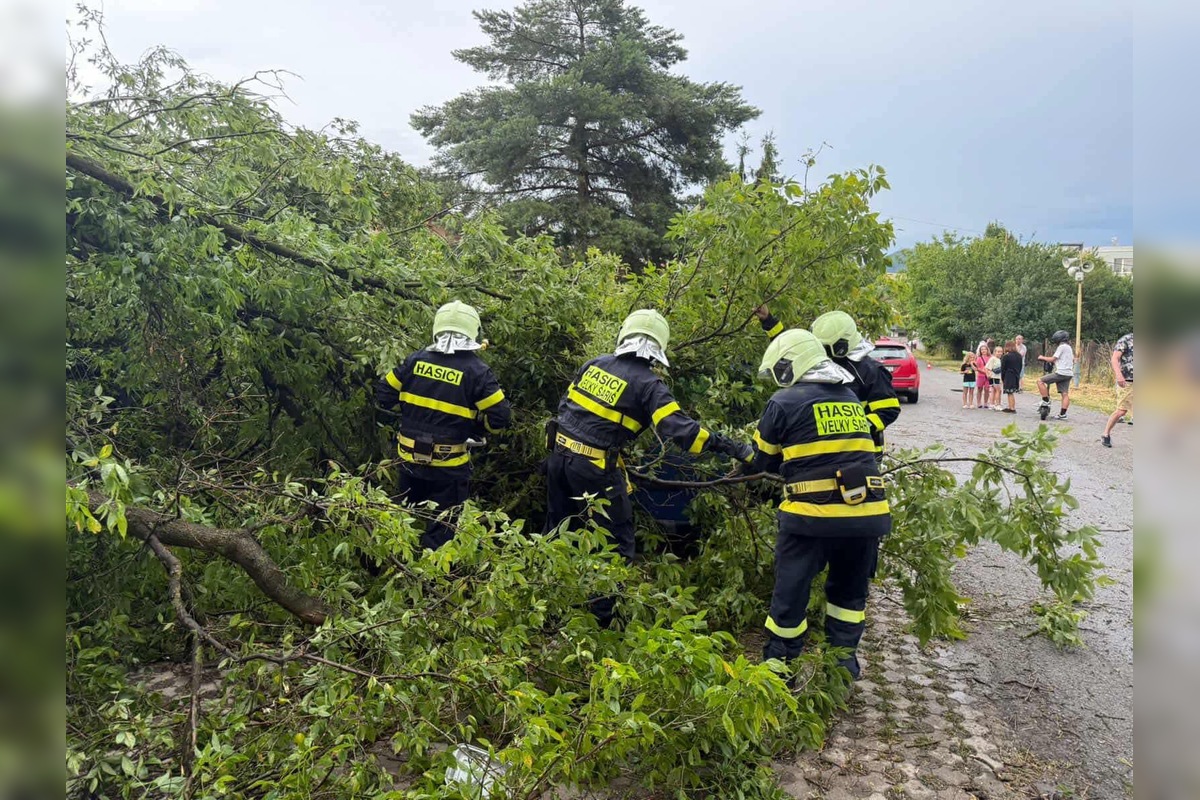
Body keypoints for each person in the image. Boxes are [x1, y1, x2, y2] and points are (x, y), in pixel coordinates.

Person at [544, 309, 752, 626]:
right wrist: (736, 448)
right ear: (658, 350)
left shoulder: (595, 364)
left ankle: (544, 610)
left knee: (559, 532)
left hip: (558, 459)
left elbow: (565, 407)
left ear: (625, 336)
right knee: (616, 543)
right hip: (595, 470)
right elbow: (682, 431)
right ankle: (600, 623)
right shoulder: (649, 385)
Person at [749, 328, 891, 680]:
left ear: (790, 365)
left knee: (791, 595)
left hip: (812, 518)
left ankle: (778, 669)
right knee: (848, 597)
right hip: (867, 516)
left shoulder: (783, 402)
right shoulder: (850, 400)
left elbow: (761, 461)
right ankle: (841, 670)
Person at [375, 301, 513, 550]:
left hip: (407, 459)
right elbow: (501, 418)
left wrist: (410, 413)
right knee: (442, 529)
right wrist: (478, 428)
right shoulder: (477, 372)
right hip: (448, 467)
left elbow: (384, 393)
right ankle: (429, 580)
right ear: (473, 331)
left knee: (401, 521)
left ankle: (391, 563)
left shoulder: (416, 360)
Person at [754, 307, 900, 461]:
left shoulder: (870, 371)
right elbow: (792, 350)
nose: (821, 350)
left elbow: (888, 410)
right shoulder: (820, 361)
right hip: (819, 450)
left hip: (861, 452)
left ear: (841, 344)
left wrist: (856, 428)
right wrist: (769, 321)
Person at [1101, 333, 1133, 447]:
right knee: (1122, 410)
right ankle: (1106, 434)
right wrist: (1119, 375)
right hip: (1127, 381)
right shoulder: (1126, 340)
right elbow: (1115, 358)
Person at [1036, 330, 1074, 420]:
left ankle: (1046, 401)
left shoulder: (1061, 347)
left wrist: (1042, 357)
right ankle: (1062, 414)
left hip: (1061, 373)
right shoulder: (1069, 347)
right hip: (1068, 373)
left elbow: (1053, 359)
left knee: (1040, 381)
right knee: (1065, 394)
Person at [1000, 340, 1023, 413]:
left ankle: (1012, 408)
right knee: (1011, 392)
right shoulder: (1019, 356)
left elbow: (1003, 368)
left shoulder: (1006, 356)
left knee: (1010, 392)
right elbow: (1020, 366)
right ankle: (1010, 406)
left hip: (1008, 375)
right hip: (1016, 375)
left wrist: (1002, 378)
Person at [985, 345, 1003, 410]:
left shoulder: (999, 359)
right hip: (994, 377)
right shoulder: (993, 359)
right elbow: (987, 367)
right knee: (998, 390)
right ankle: (997, 404)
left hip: (998, 377)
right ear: (995, 352)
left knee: (993, 390)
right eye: (998, 351)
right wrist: (988, 374)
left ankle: (991, 404)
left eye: (1001, 351)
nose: (1000, 353)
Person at [974, 344, 990, 409]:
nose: (983, 351)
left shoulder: (990, 357)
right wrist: (984, 372)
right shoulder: (979, 358)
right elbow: (977, 368)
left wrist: (988, 373)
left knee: (987, 389)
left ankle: (986, 403)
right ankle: (979, 403)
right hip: (981, 376)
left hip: (988, 376)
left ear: (987, 350)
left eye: (985, 349)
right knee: (979, 389)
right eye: (982, 349)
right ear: (980, 351)